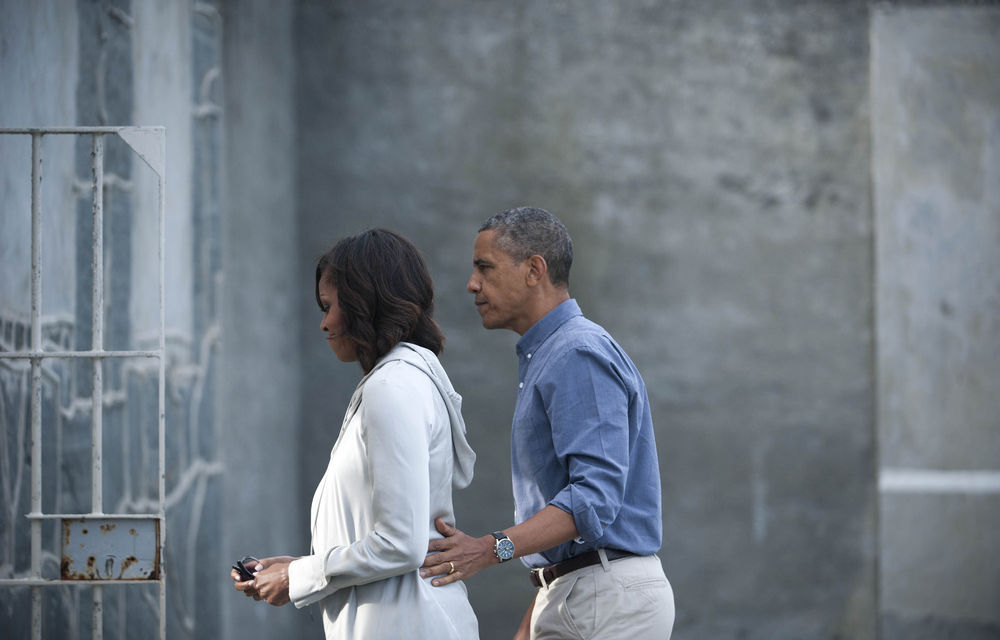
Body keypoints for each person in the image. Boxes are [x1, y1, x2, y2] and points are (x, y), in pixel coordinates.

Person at [420, 207, 674, 639]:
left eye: (485, 267)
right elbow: (570, 550)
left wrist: (488, 548)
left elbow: (594, 498)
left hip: (606, 600)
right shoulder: (553, 354)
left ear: (534, 269)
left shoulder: (577, 352)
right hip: (579, 593)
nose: (472, 284)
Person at [232, 229, 479, 639]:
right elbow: (385, 537)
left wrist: (303, 575)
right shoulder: (401, 382)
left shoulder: (392, 388)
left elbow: (400, 544)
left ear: (366, 301)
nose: (325, 323)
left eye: (330, 307)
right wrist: (293, 569)